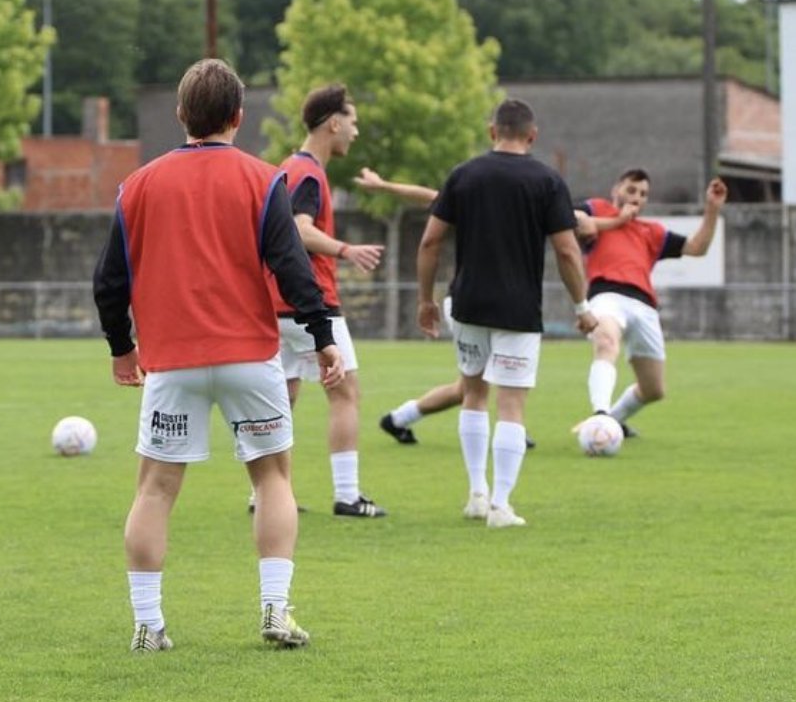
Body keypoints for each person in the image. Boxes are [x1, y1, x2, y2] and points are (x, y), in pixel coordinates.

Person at [92, 58, 344, 653]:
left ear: (181, 115)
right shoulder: (264, 180)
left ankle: (149, 625)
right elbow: (292, 269)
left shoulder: (139, 185)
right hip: (249, 358)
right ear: (238, 116)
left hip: (171, 363)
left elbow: (108, 282)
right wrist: (323, 336)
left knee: (155, 489)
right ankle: (275, 611)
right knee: (273, 476)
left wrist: (121, 348)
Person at [416, 99, 597, 527]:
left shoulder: (463, 175)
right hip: (518, 310)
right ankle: (501, 504)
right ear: (532, 136)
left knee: (474, 394)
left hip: (467, 304)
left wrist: (426, 299)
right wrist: (582, 306)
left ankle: (477, 493)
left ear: (491, 131)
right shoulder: (547, 181)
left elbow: (430, 242)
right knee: (512, 405)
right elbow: (567, 250)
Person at [352, 167, 536, 451]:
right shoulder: (475, 204)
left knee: (466, 388)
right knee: (487, 380)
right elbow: (428, 198)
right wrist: (384, 186)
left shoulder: (518, 206)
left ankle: (398, 418)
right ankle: (510, 430)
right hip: (470, 303)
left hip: (491, 303)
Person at [269, 84, 388, 518]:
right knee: (345, 394)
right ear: (334, 123)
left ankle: (264, 492)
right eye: (352, 122)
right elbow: (298, 229)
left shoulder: (287, 167)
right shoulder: (308, 173)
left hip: (276, 304)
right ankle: (347, 495)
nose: (354, 132)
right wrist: (345, 249)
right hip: (310, 302)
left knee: (282, 396)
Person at [574, 169, 728, 436]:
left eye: (643, 194)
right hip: (607, 295)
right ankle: (600, 415)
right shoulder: (597, 208)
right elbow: (576, 221)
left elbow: (697, 248)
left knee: (653, 389)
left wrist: (712, 210)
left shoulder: (651, 231)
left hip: (644, 306)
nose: (636, 197)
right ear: (616, 190)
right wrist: (617, 221)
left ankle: (613, 419)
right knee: (606, 342)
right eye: (631, 190)